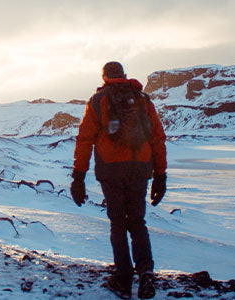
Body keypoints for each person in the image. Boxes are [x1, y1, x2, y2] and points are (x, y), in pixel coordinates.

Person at [70, 61, 167, 299]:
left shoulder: (98, 101)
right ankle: (145, 271)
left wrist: (78, 177)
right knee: (137, 221)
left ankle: (123, 280)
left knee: (118, 223)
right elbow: (157, 138)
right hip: (140, 167)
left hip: (111, 169)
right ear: (123, 74)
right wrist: (160, 176)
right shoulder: (142, 99)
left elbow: (84, 140)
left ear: (104, 77)